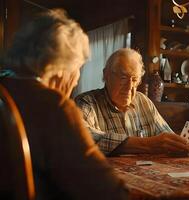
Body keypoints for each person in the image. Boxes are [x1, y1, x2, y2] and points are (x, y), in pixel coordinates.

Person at [0, 9, 129, 199]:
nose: (77, 80)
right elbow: (110, 193)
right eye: (78, 68)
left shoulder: (5, 89)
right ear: (60, 67)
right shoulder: (52, 106)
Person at [75, 48, 189, 155]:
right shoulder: (86, 102)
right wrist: (147, 145)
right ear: (106, 75)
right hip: (106, 177)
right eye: (123, 78)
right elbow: (83, 137)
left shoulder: (143, 101)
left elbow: (166, 137)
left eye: (135, 79)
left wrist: (180, 144)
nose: (129, 87)